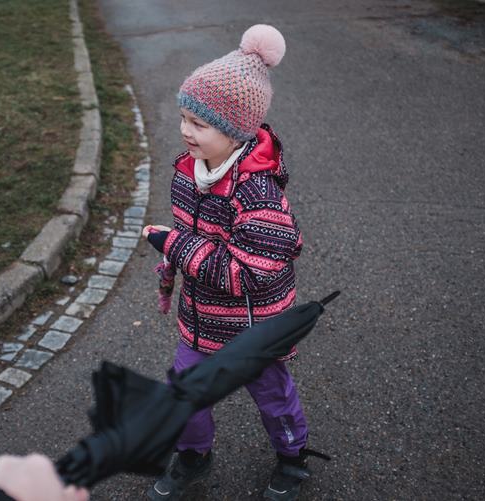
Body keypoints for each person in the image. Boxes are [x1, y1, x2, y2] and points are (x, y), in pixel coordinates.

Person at [142, 24, 323, 501]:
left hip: (254, 329)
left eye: (199, 124)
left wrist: (173, 246)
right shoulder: (188, 172)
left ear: (235, 131)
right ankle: (193, 456)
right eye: (183, 117)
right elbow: (189, 237)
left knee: (274, 398)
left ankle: (292, 456)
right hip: (201, 320)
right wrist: (173, 260)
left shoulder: (258, 193)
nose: (185, 130)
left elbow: (246, 272)